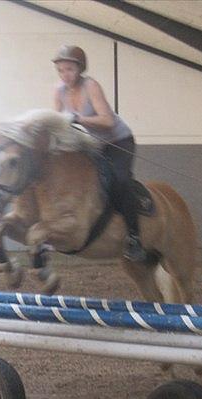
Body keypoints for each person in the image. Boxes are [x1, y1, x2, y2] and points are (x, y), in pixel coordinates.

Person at [52, 45, 146, 262]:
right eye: (61, 70)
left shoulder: (91, 86)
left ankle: (134, 237)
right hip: (91, 144)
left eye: (69, 70)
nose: (65, 75)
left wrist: (77, 119)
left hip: (118, 141)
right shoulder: (58, 91)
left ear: (79, 69)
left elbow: (107, 121)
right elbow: (58, 124)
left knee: (120, 180)